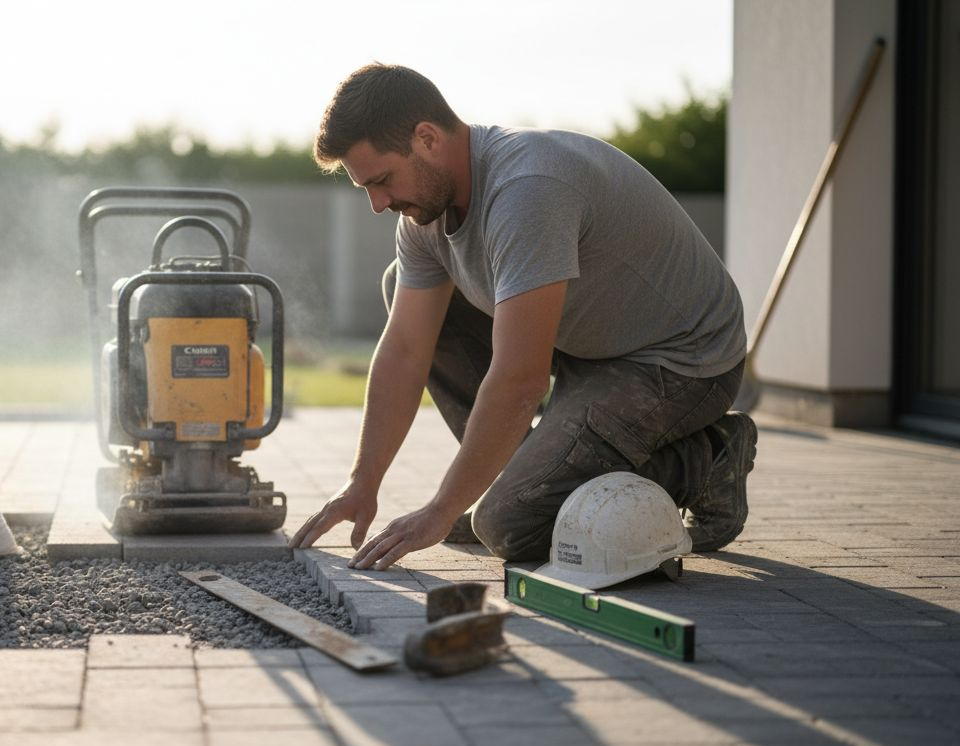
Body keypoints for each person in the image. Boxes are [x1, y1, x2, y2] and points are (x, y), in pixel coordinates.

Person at [288, 63, 757, 571]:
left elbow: (520, 379)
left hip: (680, 361)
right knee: (401, 285)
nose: (378, 204)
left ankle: (706, 459)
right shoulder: (423, 217)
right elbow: (404, 350)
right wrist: (363, 482)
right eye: (366, 189)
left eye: (381, 181)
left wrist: (441, 509)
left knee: (508, 523)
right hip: (588, 346)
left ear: (426, 139)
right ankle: (522, 482)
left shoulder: (527, 189)